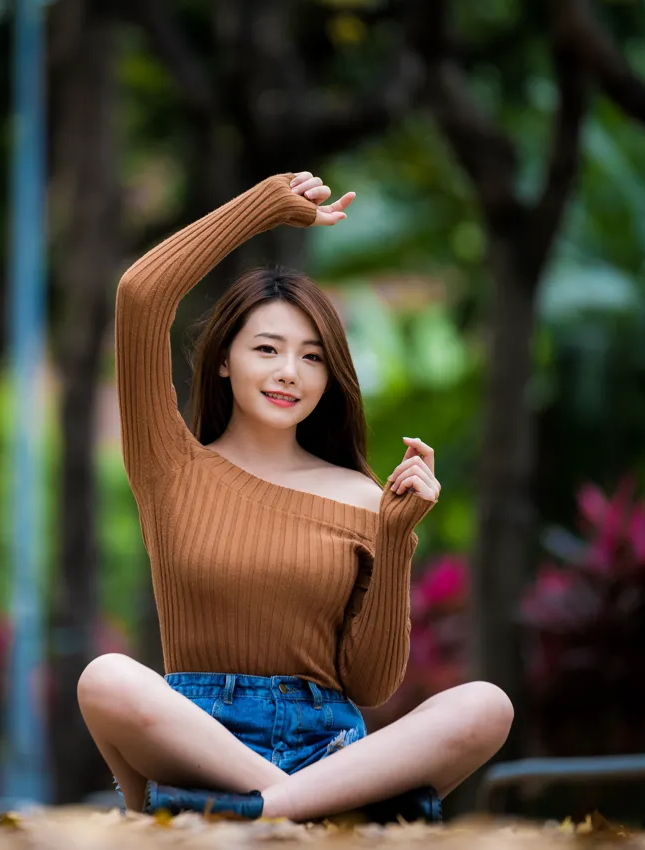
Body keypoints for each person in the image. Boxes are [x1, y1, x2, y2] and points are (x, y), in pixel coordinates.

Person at [78, 172, 513, 824]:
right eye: (267, 349)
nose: (289, 372)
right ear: (223, 359)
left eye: (312, 357)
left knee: (487, 704)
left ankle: (251, 812)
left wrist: (395, 538)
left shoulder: (365, 496)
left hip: (332, 751)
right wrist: (261, 210)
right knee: (104, 679)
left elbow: (368, 685)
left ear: (330, 374)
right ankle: (322, 815)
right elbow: (141, 294)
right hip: (200, 743)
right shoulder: (169, 464)